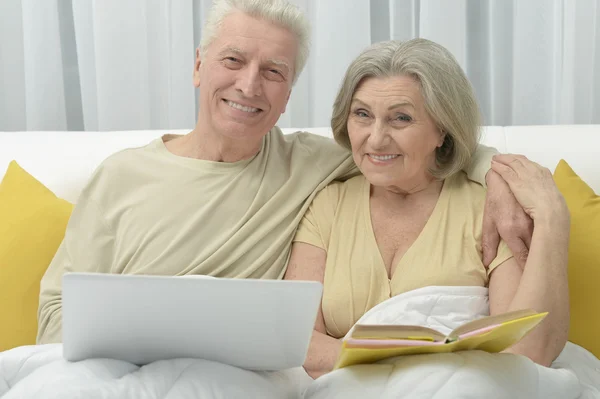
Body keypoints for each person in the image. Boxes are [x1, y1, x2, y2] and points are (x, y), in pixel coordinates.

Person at [37, 0, 531, 345]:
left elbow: (427, 147)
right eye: (233, 60)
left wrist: (504, 183)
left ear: (289, 92)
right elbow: (54, 315)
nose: (249, 85)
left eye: (273, 71)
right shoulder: (122, 175)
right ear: (197, 67)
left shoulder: (314, 163)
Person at [284, 38, 570, 379]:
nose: (375, 139)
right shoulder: (327, 203)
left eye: (400, 118)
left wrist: (553, 220)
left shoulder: (489, 207)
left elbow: (526, 352)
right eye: (362, 114)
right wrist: (402, 366)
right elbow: (296, 343)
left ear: (442, 130)